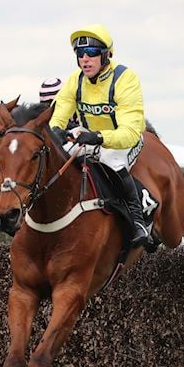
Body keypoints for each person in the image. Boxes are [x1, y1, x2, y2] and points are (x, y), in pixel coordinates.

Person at [49, 23, 150, 248]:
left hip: (121, 139)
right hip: (88, 135)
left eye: (92, 53)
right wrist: (55, 130)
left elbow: (130, 132)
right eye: (80, 54)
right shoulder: (76, 79)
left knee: (112, 161)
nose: (85, 59)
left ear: (106, 55)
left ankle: (138, 222)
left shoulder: (125, 78)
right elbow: (61, 109)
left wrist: (99, 137)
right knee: (55, 156)